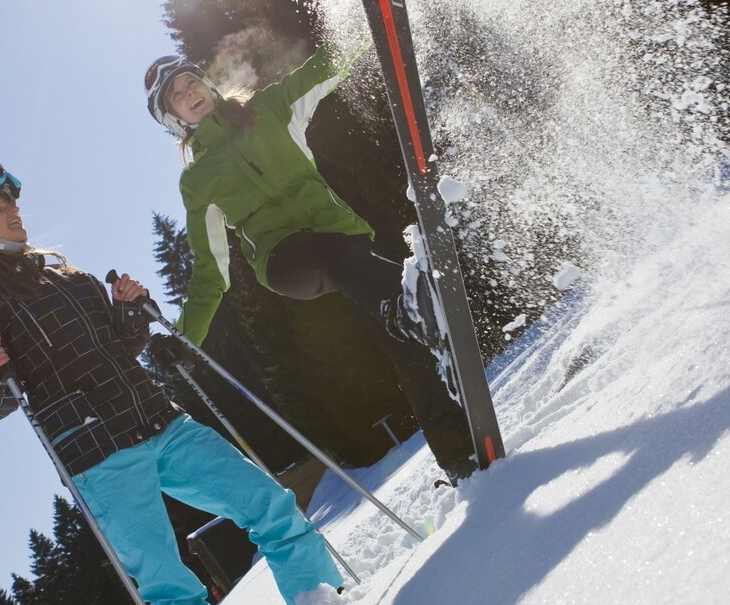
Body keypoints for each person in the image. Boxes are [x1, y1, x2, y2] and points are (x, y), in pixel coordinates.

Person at [0, 160, 343, 605]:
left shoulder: (69, 274)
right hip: (97, 455)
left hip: (157, 418)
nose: (14, 210)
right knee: (167, 583)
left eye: (11, 201)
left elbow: (121, 347)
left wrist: (129, 311)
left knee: (263, 499)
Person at [143, 48, 479, 482]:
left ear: (205, 83)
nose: (189, 93)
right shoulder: (198, 180)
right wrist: (184, 339)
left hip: (343, 238)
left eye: (190, 82)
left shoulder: (268, 107)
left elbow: (324, 68)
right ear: (175, 118)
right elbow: (211, 271)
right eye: (176, 96)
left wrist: (363, 18)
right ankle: (408, 307)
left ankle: (459, 456)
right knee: (348, 270)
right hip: (286, 260)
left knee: (397, 334)